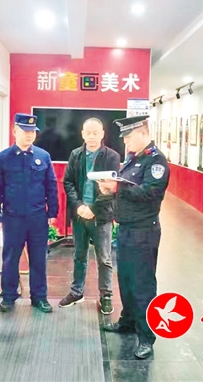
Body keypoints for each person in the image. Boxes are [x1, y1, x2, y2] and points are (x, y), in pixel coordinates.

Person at [99, 115, 169, 360]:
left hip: (144, 231)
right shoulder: (133, 158)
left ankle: (146, 337)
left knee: (143, 286)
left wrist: (118, 187)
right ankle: (128, 321)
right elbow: (128, 190)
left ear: (143, 133)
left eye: (129, 137)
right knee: (127, 280)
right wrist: (111, 189)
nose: (126, 142)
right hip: (127, 229)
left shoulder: (156, 161)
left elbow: (150, 193)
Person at [0, 113, 59, 314]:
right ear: (14, 131)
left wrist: (52, 211)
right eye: (25, 131)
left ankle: (39, 297)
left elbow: (51, 185)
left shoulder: (43, 156)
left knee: (39, 259)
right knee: (10, 258)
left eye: (32, 132)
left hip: (37, 217)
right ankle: (8, 296)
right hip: (12, 217)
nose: (29, 135)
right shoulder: (3, 158)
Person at [59, 118, 121, 314]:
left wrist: (92, 208)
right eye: (88, 132)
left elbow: (110, 188)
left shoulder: (112, 156)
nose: (92, 136)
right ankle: (76, 292)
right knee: (79, 255)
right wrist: (78, 206)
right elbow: (68, 182)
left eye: (96, 132)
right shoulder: (75, 155)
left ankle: (106, 295)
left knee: (104, 258)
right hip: (79, 215)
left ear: (102, 134)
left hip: (101, 215)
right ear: (83, 134)